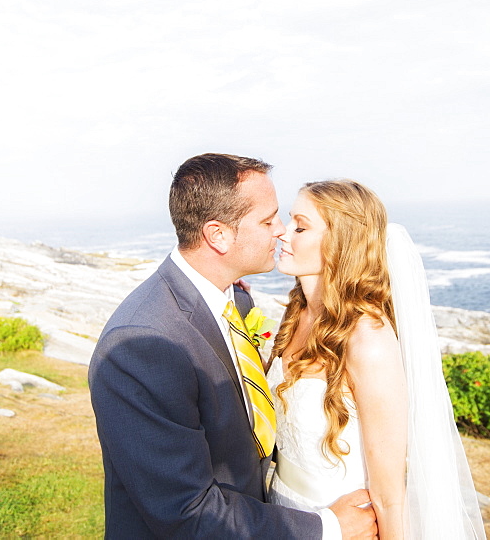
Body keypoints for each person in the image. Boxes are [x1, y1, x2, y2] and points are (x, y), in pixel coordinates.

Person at [88, 154, 378, 538]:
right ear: (218, 235)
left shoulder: (235, 301)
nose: (281, 230)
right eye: (268, 219)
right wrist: (327, 527)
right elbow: (187, 512)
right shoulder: (140, 349)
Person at [269, 180, 486, 539]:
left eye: (300, 226)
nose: (282, 233)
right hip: (284, 514)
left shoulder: (368, 341)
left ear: (340, 242)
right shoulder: (297, 314)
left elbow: (389, 496)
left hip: (345, 526)